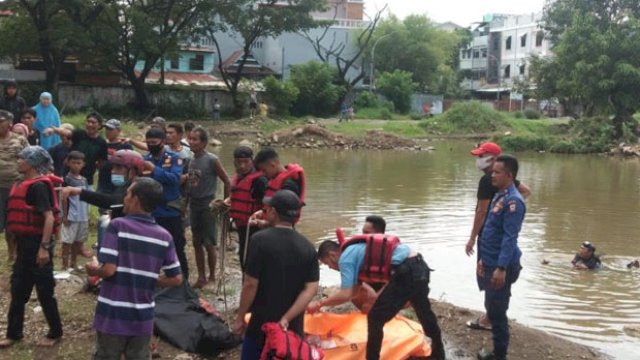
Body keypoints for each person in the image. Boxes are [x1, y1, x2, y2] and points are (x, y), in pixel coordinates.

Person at [309, 216, 445, 360]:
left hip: (406, 271)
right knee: (424, 313)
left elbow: (345, 294)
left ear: (333, 254)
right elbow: (354, 292)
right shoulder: (355, 250)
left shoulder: (345, 258)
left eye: (327, 263)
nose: (330, 267)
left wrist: (319, 304)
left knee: (375, 318)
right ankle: (439, 355)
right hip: (419, 265)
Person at [86, 177, 182, 360]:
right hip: (143, 318)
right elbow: (176, 279)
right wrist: (149, 279)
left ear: (135, 199)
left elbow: (108, 270)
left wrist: (93, 270)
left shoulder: (117, 226)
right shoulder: (164, 236)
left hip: (113, 315)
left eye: (127, 194)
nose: (124, 198)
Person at [231, 190, 319, 360]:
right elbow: (311, 289)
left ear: (273, 212)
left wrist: (240, 317)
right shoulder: (308, 247)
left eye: (268, 208)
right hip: (292, 327)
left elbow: (250, 283)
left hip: (261, 323)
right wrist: (286, 318)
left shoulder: (259, 240)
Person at [1, 146, 63, 348]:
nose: (18, 161)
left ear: (33, 163)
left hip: (38, 245)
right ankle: (14, 333)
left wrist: (44, 248)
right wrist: (18, 248)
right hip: (25, 245)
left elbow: (49, 217)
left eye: (22, 158)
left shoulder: (39, 187)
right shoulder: (22, 183)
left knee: (45, 291)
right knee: (18, 290)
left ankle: (55, 332)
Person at [466, 142, 530, 332]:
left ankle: (492, 319)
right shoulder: (503, 185)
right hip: (494, 235)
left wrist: (472, 238)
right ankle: (491, 316)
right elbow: (527, 190)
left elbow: (481, 211)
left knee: (493, 279)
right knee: (491, 278)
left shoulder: (489, 182)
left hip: (491, 237)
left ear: (493, 159)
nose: (479, 161)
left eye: (482, 156)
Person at [476, 155, 526, 360]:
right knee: (492, 305)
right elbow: (490, 230)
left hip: (501, 265)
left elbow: (509, 237)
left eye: (497, 172)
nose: (492, 175)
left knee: (497, 312)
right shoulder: (500, 194)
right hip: (490, 261)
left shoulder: (514, 201)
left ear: (509, 175)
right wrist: (482, 259)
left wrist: (501, 268)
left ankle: (499, 355)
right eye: (492, 171)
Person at [60, 150, 145, 236]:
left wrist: (80, 191)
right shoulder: (125, 185)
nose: (113, 171)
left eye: (118, 168)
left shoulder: (140, 188)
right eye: (113, 167)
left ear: (133, 171)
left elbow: (113, 201)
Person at [186, 127, 230, 288]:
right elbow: (190, 185)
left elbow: (226, 180)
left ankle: (212, 277)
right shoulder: (191, 160)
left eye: (195, 139)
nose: (191, 142)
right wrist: (185, 205)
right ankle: (201, 277)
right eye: (190, 139)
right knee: (196, 242)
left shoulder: (212, 159)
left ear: (204, 143)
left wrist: (226, 202)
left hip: (208, 205)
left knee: (209, 243)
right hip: (194, 205)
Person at [143, 128, 188, 281]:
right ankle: (155, 280)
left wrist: (153, 170)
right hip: (151, 211)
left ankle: (183, 281)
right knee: (152, 248)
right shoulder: (145, 158)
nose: (150, 145)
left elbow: (175, 178)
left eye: (154, 142)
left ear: (163, 141)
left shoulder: (175, 158)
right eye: (148, 142)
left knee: (176, 247)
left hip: (170, 211)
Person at [225, 146, 267, 271]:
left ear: (252, 161)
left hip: (256, 228)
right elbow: (237, 196)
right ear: (234, 162)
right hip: (242, 226)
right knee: (244, 258)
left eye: (246, 162)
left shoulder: (260, 180)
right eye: (239, 162)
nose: (242, 166)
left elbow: (268, 205)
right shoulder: (239, 177)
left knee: (253, 260)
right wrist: (228, 201)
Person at [45, 112, 108, 188]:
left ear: (99, 125)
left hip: (87, 178)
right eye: (88, 121)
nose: (90, 124)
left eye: (93, 122)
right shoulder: (79, 134)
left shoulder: (102, 143)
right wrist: (54, 130)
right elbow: (67, 133)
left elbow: (101, 163)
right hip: (69, 176)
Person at [0, 110, 28, 262]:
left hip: (16, 187)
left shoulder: (20, 140)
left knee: (14, 221)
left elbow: (31, 158)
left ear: (9, 123)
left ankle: (14, 252)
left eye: (1, 121)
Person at [252, 147, 305, 227]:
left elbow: (286, 217)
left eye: (264, 170)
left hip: (281, 232)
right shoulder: (274, 180)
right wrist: (263, 212)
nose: (263, 174)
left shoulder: (289, 185)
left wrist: (266, 224)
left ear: (272, 165)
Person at [60, 151, 90, 270]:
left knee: (78, 241)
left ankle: (73, 263)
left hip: (83, 216)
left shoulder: (84, 180)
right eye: (74, 163)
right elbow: (64, 199)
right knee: (67, 241)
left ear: (83, 164)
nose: (76, 165)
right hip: (72, 216)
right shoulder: (66, 179)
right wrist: (65, 216)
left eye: (79, 163)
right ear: (68, 163)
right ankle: (64, 266)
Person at [96, 119, 132, 194]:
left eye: (110, 129)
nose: (107, 131)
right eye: (106, 129)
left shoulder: (125, 145)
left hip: (118, 178)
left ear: (118, 130)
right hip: (103, 179)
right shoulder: (102, 144)